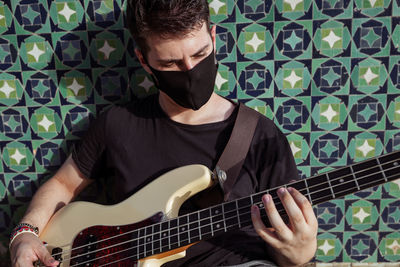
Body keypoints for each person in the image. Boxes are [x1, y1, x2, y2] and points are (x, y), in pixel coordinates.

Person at [9, 0, 318, 266]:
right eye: (170, 62)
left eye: (199, 54)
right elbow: (63, 184)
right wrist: (25, 234)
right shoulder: (117, 124)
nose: (189, 70)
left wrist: (299, 254)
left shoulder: (261, 135)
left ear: (213, 36)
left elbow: (289, 246)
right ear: (144, 60)